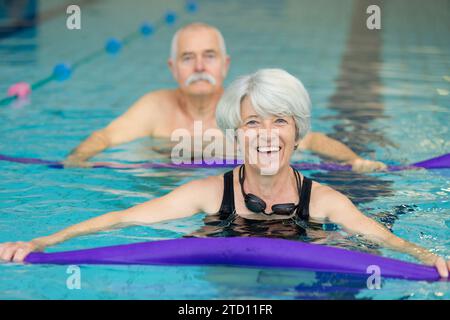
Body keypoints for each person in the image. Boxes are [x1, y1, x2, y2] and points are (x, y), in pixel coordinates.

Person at [1, 69, 448, 277]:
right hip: (222, 263)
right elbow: (121, 219)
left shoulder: (327, 201)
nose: (266, 134)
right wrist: (41, 242)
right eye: (253, 123)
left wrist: (428, 258)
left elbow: (386, 241)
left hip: (305, 260)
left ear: (297, 133)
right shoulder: (207, 194)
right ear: (236, 135)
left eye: (279, 121)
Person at [64, 23, 386, 173]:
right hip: (167, 183)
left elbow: (312, 141)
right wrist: (78, 158)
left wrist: (353, 160)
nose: (200, 66)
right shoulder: (154, 106)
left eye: (209, 56)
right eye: (188, 58)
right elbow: (105, 137)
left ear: (225, 64)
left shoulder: (248, 106)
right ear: (173, 68)